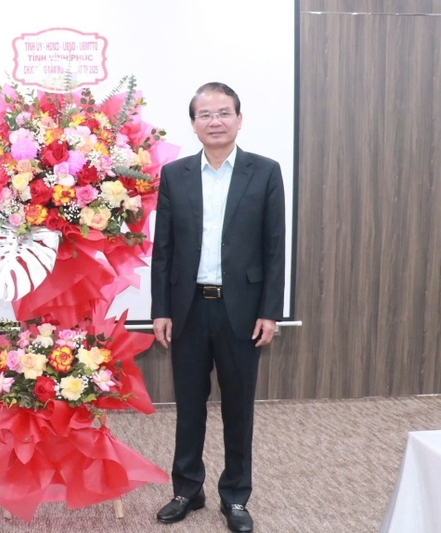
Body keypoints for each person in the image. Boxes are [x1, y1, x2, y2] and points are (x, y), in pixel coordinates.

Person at [150, 82, 285, 533]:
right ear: (193, 124)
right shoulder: (174, 174)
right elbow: (163, 249)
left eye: (223, 112)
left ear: (239, 119)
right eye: (205, 114)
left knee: (238, 407)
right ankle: (187, 489)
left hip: (242, 310)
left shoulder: (264, 172)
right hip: (188, 308)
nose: (215, 121)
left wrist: (270, 310)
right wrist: (160, 309)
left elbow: (273, 248)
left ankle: (236, 496)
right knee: (189, 405)